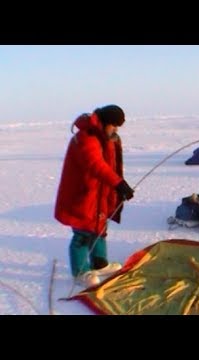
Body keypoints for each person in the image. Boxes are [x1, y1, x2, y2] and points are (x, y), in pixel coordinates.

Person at [54, 104, 135, 287]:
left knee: (99, 228)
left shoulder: (105, 137)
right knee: (83, 233)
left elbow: (111, 165)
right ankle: (80, 272)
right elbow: (95, 165)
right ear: (105, 122)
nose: (115, 130)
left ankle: (99, 263)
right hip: (81, 195)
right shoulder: (86, 138)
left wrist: (117, 186)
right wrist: (118, 183)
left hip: (98, 194)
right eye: (113, 125)